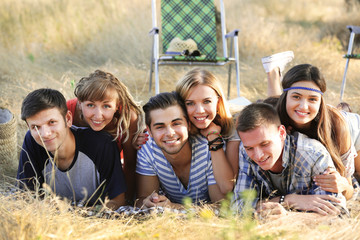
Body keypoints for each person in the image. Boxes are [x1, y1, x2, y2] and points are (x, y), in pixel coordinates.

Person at [262, 57, 358, 200]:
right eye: (296, 97)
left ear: (320, 101)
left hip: (355, 132)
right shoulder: (274, 116)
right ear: (285, 97)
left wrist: (343, 185)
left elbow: (348, 192)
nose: (303, 106)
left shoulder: (338, 125)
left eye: (312, 99)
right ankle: (273, 72)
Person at [17, 88, 126, 210]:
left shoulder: (101, 144)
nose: (45, 134)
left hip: (92, 220)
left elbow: (118, 200)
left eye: (52, 122)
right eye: (35, 127)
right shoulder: (32, 141)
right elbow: (25, 196)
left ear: (68, 119)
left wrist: (76, 214)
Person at [233, 103, 347, 216]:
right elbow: (238, 208)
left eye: (265, 144)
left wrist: (290, 218)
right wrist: (288, 200)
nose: (258, 155)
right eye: (249, 148)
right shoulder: (245, 151)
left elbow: (338, 215)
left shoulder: (313, 154)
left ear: (282, 133)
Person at [135, 68, 236, 191]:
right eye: (190, 103)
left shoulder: (232, 130)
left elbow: (227, 188)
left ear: (218, 101)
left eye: (207, 101)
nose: (200, 110)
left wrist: (213, 137)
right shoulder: (163, 137)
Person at [136, 92, 226, 209]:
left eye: (176, 123)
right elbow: (141, 199)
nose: (170, 133)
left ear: (188, 125)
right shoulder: (148, 149)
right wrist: (149, 203)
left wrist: (174, 207)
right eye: (160, 127)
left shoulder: (208, 149)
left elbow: (222, 207)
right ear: (149, 131)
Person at [67, 70, 144, 203]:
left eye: (106, 106)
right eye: (90, 105)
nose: (98, 115)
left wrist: (127, 201)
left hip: (113, 170)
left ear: (117, 106)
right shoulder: (70, 111)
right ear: (80, 103)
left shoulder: (127, 117)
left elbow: (130, 165)